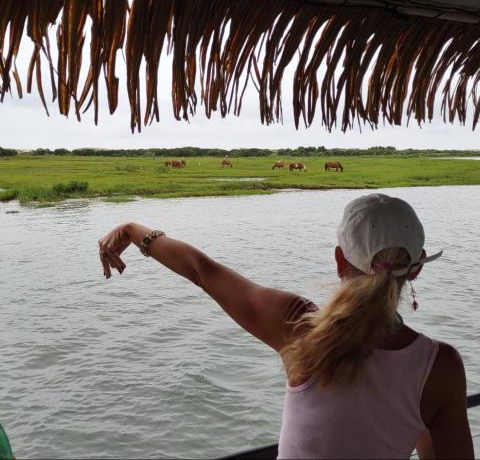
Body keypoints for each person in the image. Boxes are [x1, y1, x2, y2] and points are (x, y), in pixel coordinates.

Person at [98, 193, 474, 459]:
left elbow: (203, 271)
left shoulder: (300, 326)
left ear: (340, 260)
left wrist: (134, 231)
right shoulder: (440, 365)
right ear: (419, 266)